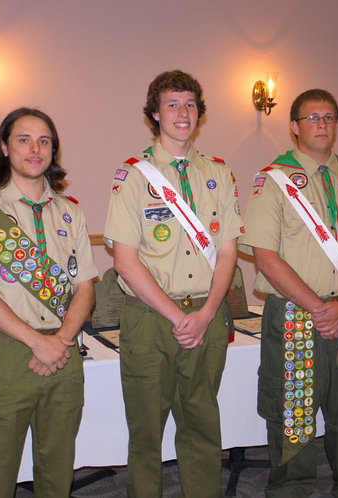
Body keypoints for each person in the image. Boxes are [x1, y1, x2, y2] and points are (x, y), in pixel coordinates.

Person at [104, 70, 243, 497]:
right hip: (150, 321)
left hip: (207, 312)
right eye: (172, 104)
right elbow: (125, 262)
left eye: (190, 105)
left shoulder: (219, 172)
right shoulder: (133, 177)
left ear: (199, 114)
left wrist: (203, 315)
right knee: (146, 432)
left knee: (202, 423)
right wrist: (180, 317)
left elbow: (228, 252)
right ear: (154, 114)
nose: (182, 113)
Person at [0, 107, 98, 497]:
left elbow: (85, 289)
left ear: (53, 150)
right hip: (7, 354)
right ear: (5, 148)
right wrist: (38, 342)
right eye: (24, 139)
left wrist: (59, 340)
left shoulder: (71, 211)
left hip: (63, 352)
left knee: (57, 472)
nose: (35, 149)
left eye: (44, 141)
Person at [240, 89, 338, 497]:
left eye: (329, 117)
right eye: (312, 117)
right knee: (293, 418)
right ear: (294, 126)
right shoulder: (273, 181)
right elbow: (265, 257)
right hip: (296, 320)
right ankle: (292, 490)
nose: (321, 124)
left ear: (337, 124)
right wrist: (322, 308)